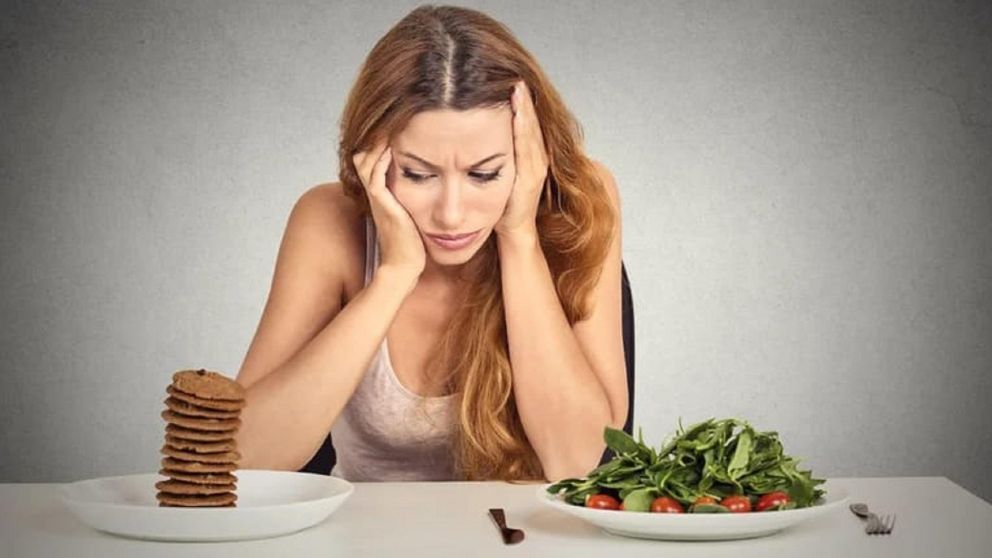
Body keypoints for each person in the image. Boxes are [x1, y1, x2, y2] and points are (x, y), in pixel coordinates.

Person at [234, 4, 627, 482]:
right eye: (418, 174)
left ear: (531, 156)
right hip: (367, 529)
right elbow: (244, 456)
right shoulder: (327, 220)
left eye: (485, 174)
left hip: (524, 529)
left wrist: (519, 237)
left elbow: (578, 461)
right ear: (372, 155)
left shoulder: (581, 202)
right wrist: (394, 274)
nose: (452, 214)